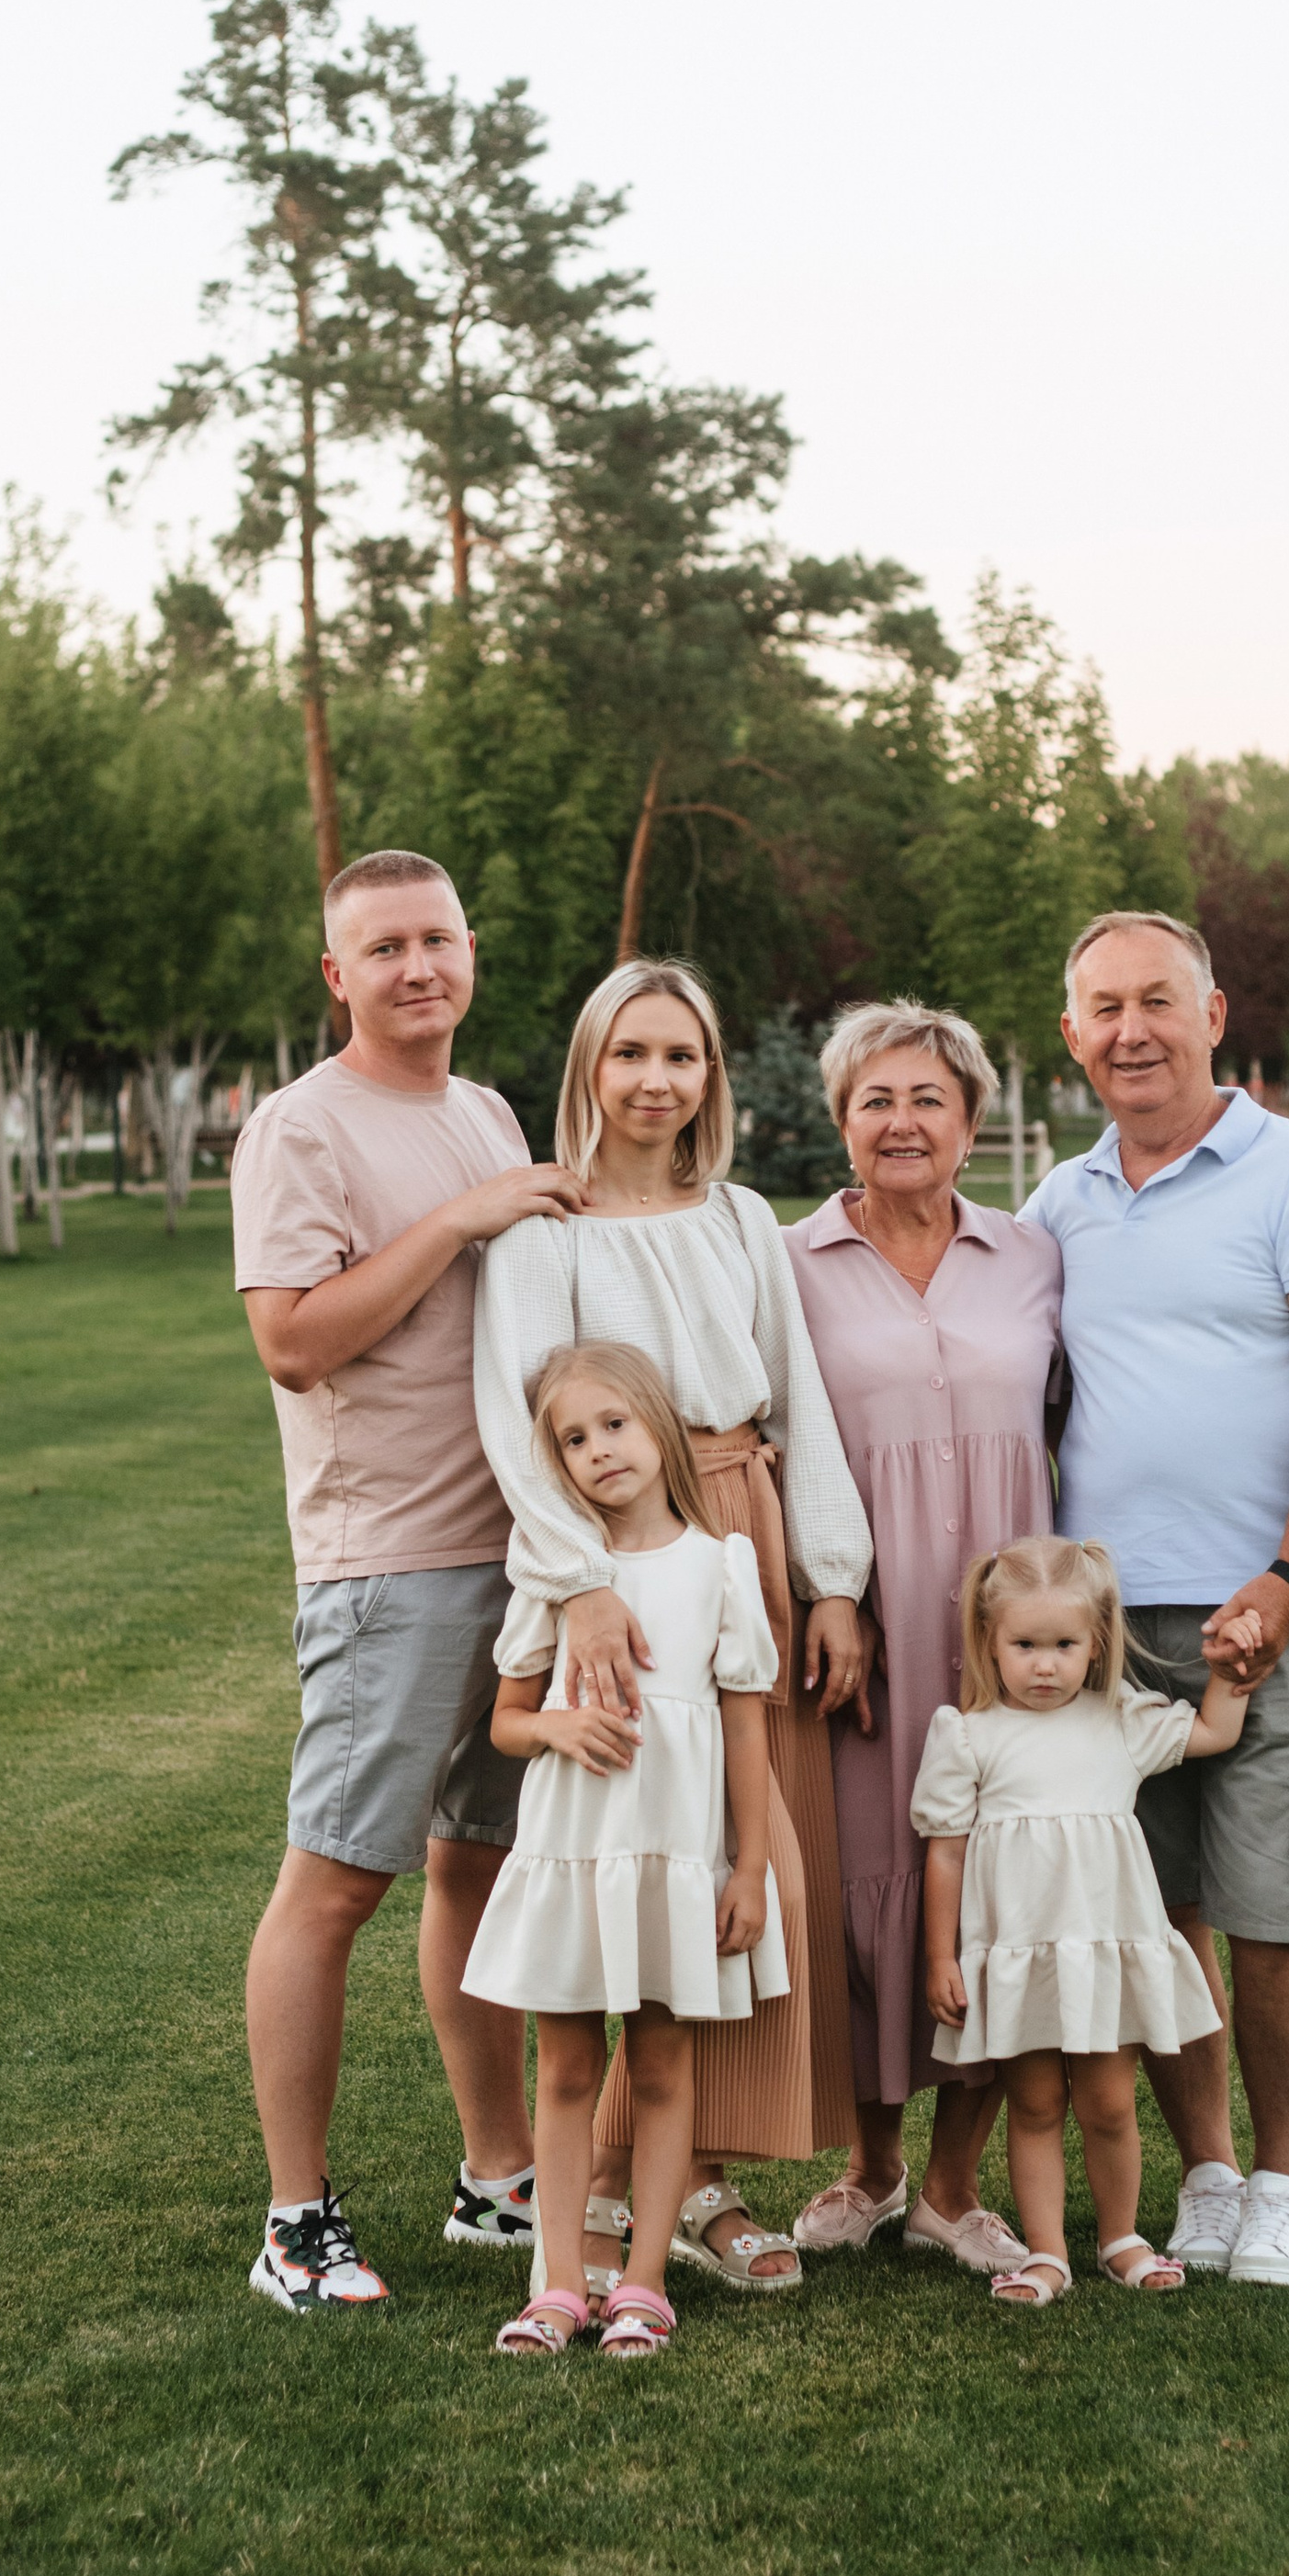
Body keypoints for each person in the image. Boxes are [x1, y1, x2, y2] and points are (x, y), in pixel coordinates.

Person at [473, 960, 874, 2298]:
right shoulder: (544, 1234)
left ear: (710, 1075)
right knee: (636, 1852)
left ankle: (688, 2169)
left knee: (738, 1869)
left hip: (737, 1535)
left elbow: (800, 1397)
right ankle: (610, 2184)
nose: (658, 1079)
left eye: (684, 1055)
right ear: (590, 1063)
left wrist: (828, 1577)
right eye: (631, 1051)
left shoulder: (744, 1218)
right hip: (613, 1558)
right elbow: (519, 1423)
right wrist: (578, 1578)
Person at [231, 852, 592, 2311]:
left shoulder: (485, 1111)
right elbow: (295, 1340)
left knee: (475, 1868)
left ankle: (497, 2179)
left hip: (518, 1558)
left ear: (470, 952)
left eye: (436, 939)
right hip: (390, 1566)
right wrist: (456, 1222)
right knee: (332, 1887)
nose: (417, 967)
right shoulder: (299, 1129)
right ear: (339, 976)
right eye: (383, 947)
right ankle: (295, 2221)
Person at [1023, 910, 1289, 2291]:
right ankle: (1212, 2174)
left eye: (1158, 1002)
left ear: (1215, 1012)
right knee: (1157, 1913)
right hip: (1106, 1631)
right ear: (1071, 1036)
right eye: (1104, 1008)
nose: (1133, 1030)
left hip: (1267, 1612)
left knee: (1282, 1912)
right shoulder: (1060, 1203)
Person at [784, 1000, 1063, 2276]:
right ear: (841, 1120)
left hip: (1018, 1634)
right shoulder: (785, 1265)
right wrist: (826, 1589)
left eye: (929, 1099)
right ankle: (874, 2165)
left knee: (1002, 1886)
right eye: (876, 1100)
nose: (903, 1122)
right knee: (867, 1887)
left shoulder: (1035, 1256)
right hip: (867, 1626)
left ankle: (957, 2186)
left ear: (972, 1120)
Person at [469, 1347, 787, 2362]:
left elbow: (745, 1732)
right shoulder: (558, 1578)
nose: (598, 1450)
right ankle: (559, 2280)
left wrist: (748, 1868)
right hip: (577, 1851)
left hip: (675, 1856)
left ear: (658, 1429)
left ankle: (645, 2278)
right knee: (564, 2066)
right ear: (553, 1466)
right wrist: (556, 1727)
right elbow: (506, 1721)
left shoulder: (719, 1564)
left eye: (614, 1424)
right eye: (572, 1438)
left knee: (660, 2061)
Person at [917, 1537, 1256, 2306]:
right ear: (989, 1642)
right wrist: (943, 1956)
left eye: (1064, 1645)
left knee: (1108, 2101)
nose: (1045, 1664)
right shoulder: (969, 1735)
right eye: (1025, 1645)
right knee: (1034, 2102)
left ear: (1095, 1644)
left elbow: (1212, 1733)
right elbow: (944, 1854)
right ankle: (1045, 2253)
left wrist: (1231, 1677)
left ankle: (1121, 2237)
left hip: (1102, 1952)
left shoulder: (1120, 1720)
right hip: (1022, 1956)